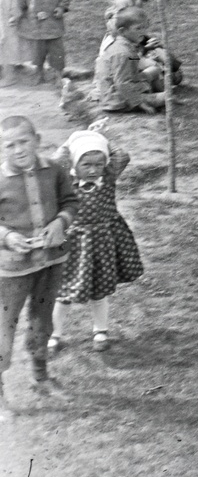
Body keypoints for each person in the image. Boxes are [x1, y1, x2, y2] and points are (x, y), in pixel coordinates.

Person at [0, 115, 77, 406]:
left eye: (24, 142)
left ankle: (40, 376)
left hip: (51, 262)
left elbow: (70, 201)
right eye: (10, 145)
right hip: (11, 270)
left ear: (37, 140)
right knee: (3, 327)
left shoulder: (54, 171)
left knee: (41, 323)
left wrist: (61, 222)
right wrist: (6, 237)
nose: (18, 150)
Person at [47, 130, 141, 356]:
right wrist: (71, 142)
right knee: (63, 293)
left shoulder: (108, 176)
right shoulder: (66, 180)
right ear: (74, 163)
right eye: (86, 164)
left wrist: (102, 140)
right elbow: (53, 162)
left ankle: (101, 331)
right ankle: (54, 334)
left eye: (99, 164)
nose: (93, 170)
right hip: (74, 243)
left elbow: (122, 156)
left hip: (102, 242)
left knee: (99, 291)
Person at [95, 7, 166, 114]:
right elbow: (122, 83)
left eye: (144, 28)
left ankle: (155, 92)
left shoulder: (125, 45)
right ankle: (151, 97)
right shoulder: (122, 52)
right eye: (138, 29)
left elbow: (134, 61)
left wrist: (146, 52)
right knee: (167, 97)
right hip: (117, 99)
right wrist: (140, 103)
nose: (143, 32)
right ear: (122, 31)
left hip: (125, 87)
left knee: (154, 70)